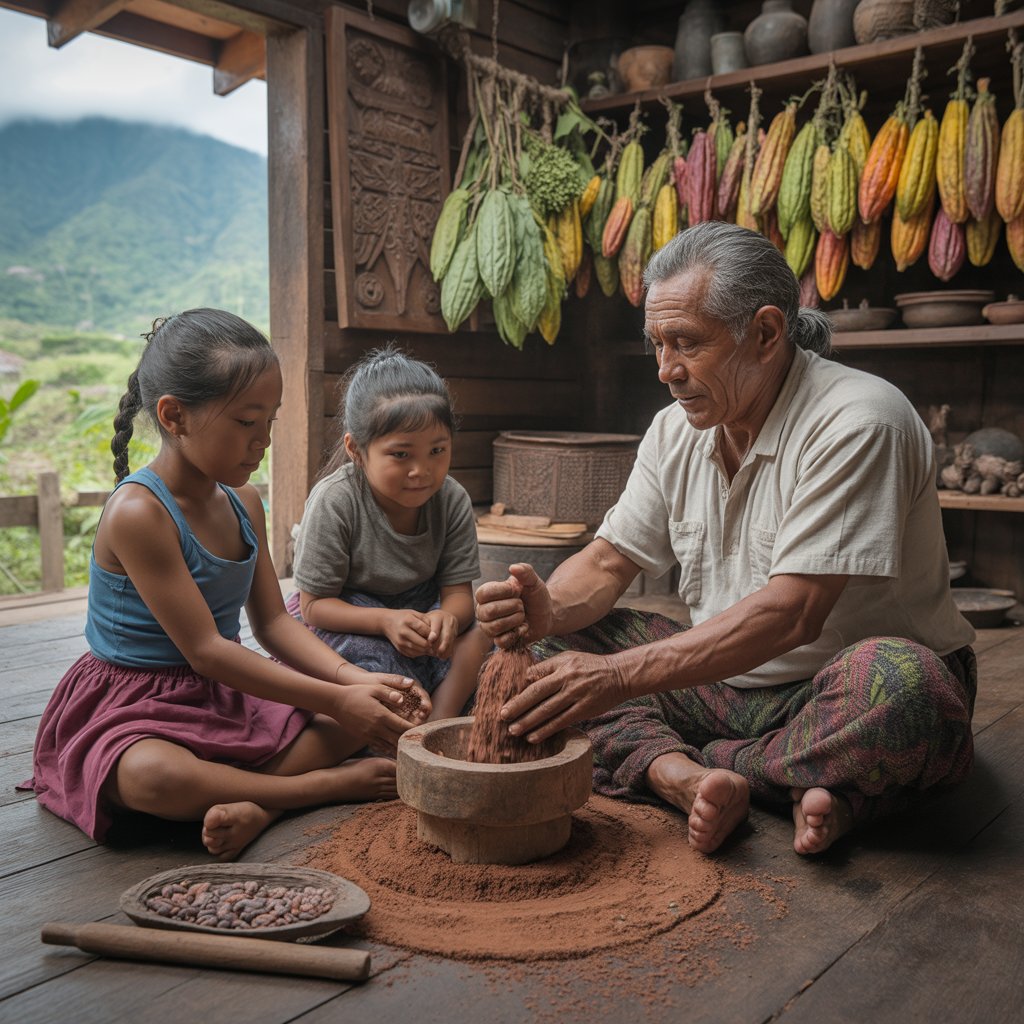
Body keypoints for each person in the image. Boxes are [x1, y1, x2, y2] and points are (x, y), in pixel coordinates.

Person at [475, 222, 977, 858]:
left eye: (685, 343)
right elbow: (607, 561)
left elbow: (794, 612)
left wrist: (617, 677)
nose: (665, 370)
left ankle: (682, 765)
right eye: (657, 344)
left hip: (835, 687)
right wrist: (549, 606)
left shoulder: (858, 419)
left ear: (766, 333)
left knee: (914, 695)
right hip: (722, 687)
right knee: (543, 651)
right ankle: (751, 783)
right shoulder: (674, 428)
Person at [26, 309, 430, 861]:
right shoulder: (139, 512)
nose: (262, 440)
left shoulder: (243, 502)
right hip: (133, 699)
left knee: (351, 722)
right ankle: (309, 790)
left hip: (216, 695)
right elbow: (208, 651)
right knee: (149, 777)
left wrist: (358, 684)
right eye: (246, 422)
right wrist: (341, 698)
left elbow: (273, 623)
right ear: (174, 416)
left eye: (270, 421)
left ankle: (256, 806)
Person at [286, 345, 488, 722]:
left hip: (421, 613)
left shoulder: (452, 500)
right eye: (401, 454)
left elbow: (459, 595)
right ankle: (411, 727)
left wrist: (448, 619)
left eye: (437, 450)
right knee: (378, 665)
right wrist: (384, 621)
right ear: (356, 450)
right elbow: (314, 606)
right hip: (350, 616)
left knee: (482, 639)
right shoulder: (336, 501)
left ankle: (433, 730)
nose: (421, 470)